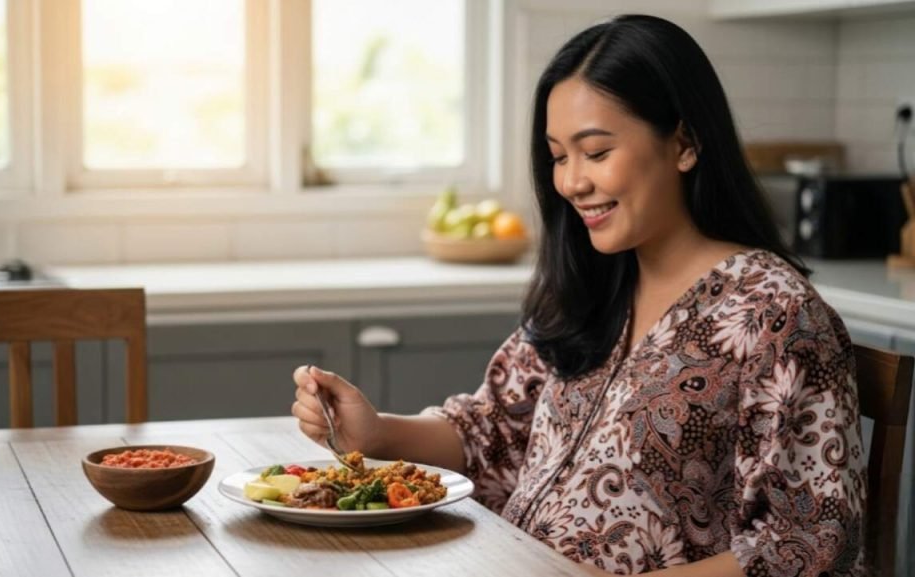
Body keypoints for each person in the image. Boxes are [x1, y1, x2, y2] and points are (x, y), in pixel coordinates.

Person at [292, 14, 865, 577]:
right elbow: (494, 430)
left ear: (685, 143)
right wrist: (375, 434)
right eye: (558, 156)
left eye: (595, 152)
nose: (570, 182)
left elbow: (804, 548)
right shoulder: (593, 286)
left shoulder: (775, 315)